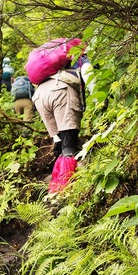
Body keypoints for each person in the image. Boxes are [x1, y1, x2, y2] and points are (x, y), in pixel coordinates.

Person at [31, 51, 92, 194]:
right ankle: (66, 190)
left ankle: (55, 188)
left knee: (60, 144)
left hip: (40, 95)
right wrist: (100, 102)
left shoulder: (51, 67)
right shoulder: (80, 56)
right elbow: (89, 76)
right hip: (60, 91)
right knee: (69, 148)